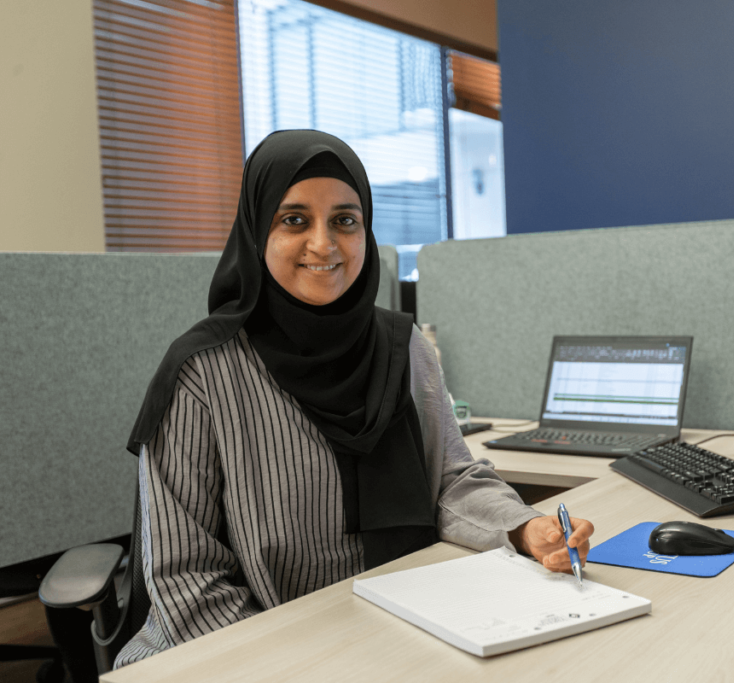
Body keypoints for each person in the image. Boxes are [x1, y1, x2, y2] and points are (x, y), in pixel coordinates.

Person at [115, 130, 594, 666]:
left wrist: (525, 526)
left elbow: (450, 480)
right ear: (256, 232)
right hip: (250, 653)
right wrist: (303, 666)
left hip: (397, 628)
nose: (324, 244)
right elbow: (187, 582)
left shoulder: (402, 347)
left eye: (345, 220)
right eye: (293, 220)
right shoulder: (202, 373)